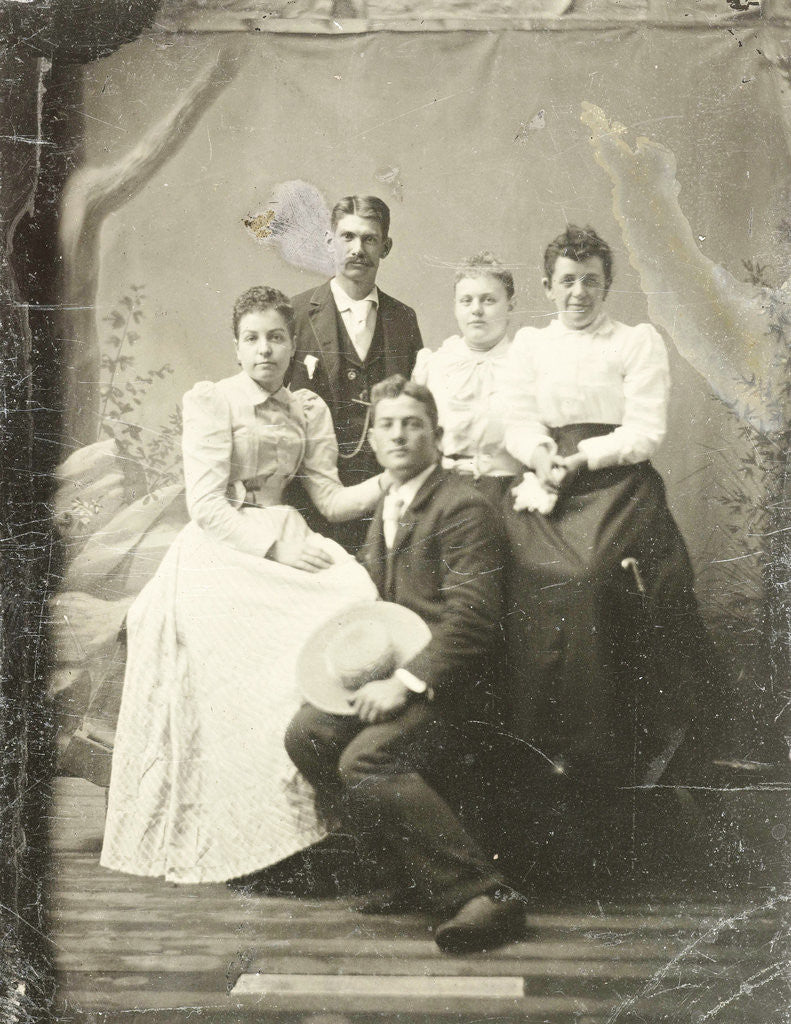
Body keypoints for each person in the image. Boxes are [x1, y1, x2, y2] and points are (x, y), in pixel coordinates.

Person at [100, 286, 389, 885]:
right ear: (236, 346)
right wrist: (273, 547)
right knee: (251, 665)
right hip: (223, 548)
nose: (265, 350)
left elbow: (330, 500)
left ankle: (322, 811)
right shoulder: (213, 402)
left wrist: (397, 478)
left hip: (287, 531)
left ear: (292, 344)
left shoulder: (307, 408)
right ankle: (260, 829)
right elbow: (207, 506)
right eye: (252, 338)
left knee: (355, 593)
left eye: (276, 337)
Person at [285, 375, 526, 955]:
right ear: (372, 440)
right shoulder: (391, 503)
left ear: (436, 437)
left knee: (368, 757)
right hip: (407, 677)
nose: (398, 435)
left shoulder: (462, 507)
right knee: (308, 733)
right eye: (387, 425)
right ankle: (403, 872)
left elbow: (473, 619)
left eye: (412, 424)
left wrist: (406, 682)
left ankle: (485, 893)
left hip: (459, 686)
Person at [501, 225, 715, 787]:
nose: (579, 293)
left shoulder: (635, 342)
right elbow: (517, 419)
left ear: (607, 286)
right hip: (548, 476)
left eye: (591, 281)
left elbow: (645, 431)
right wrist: (540, 454)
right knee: (519, 575)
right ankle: (538, 747)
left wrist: (583, 458)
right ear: (548, 286)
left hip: (616, 486)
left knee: (589, 579)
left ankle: (608, 745)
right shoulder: (530, 346)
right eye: (568, 280)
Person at [288, 195, 423, 551]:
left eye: (369, 239)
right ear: (329, 241)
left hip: (383, 501)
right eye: (347, 236)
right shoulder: (294, 314)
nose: (357, 249)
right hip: (308, 503)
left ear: (385, 247)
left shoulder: (403, 320)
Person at [412, 251, 521, 505]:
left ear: (510, 305)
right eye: (466, 300)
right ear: (455, 306)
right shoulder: (434, 365)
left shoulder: (525, 364)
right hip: (443, 494)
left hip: (509, 494)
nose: (476, 310)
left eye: (488, 300)